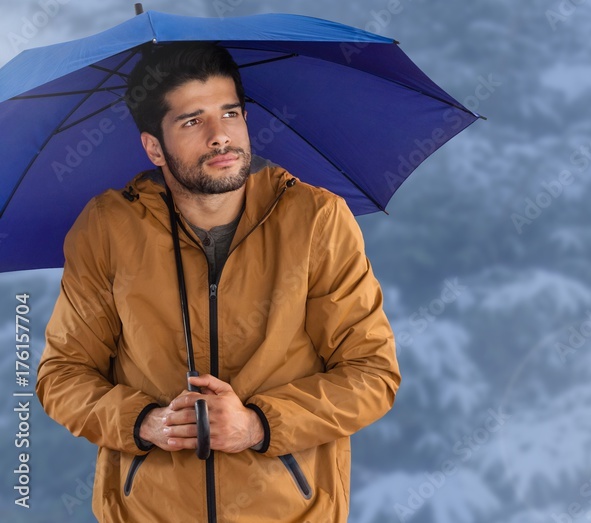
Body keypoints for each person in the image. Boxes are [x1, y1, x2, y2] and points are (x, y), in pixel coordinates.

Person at [35, 42, 400, 522]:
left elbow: (372, 374)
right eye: (192, 121)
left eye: (230, 113)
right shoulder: (107, 228)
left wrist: (259, 425)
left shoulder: (316, 220)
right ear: (152, 147)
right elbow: (62, 376)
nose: (220, 136)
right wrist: (143, 422)